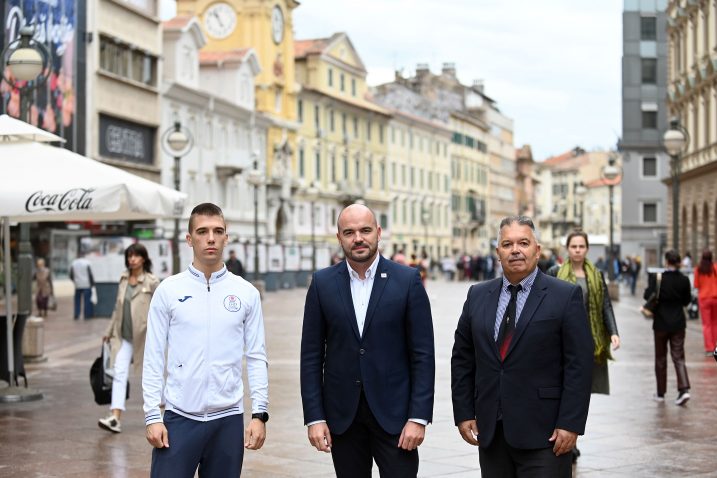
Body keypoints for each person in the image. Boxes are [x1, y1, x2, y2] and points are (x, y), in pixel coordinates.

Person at [451, 216, 593, 477]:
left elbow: (580, 365)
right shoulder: (477, 295)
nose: (515, 250)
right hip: (492, 432)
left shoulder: (565, 296)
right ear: (498, 253)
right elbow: (462, 357)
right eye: (507, 244)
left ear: (537, 250)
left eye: (523, 243)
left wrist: (570, 424)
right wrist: (463, 412)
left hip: (546, 434)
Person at [300, 204, 435, 478]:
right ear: (339, 238)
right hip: (343, 418)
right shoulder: (322, 283)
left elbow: (422, 354)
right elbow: (311, 356)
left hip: (396, 418)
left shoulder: (407, 280)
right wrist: (315, 417)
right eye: (349, 232)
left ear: (378, 232)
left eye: (365, 230)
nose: (358, 238)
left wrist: (418, 417)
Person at [143, 203, 269, 477]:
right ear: (189, 239)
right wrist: (152, 414)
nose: (210, 238)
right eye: (202, 231)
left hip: (227, 420)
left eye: (217, 231)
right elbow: (153, 355)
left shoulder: (245, 293)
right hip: (179, 417)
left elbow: (257, 356)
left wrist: (259, 414)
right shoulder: (168, 291)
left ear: (226, 237)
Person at [546, 231, 620, 462]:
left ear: (587, 249)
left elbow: (605, 306)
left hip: (589, 342)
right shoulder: (555, 273)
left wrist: (614, 332)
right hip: (559, 342)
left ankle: (572, 437)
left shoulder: (595, 275)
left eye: (581, 246)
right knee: (560, 390)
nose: (577, 250)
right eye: (573, 246)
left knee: (579, 393)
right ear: (567, 249)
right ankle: (562, 436)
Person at [98, 243, 160, 434]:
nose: (132, 259)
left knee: (152, 374)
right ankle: (115, 417)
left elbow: (161, 310)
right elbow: (117, 308)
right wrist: (108, 331)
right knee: (119, 374)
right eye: (129, 256)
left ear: (143, 258)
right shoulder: (123, 279)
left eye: (136, 255)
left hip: (145, 337)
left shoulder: (152, 281)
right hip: (123, 337)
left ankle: (165, 411)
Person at [644, 250, 692, 405]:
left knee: (660, 358)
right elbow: (686, 301)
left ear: (666, 261)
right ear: (678, 262)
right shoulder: (684, 280)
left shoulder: (658, 278)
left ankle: (660, 393)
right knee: (678, 357)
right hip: (678, 323)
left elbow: (647, 295)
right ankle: (683, 390)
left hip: (661, 323)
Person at [693, 250, 717, 355]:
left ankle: (709, 348)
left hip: (704, 298)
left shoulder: (698, 269)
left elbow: (696, 285)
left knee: (706, 324)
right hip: (715, 298)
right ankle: (715, 346)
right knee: (715, 323)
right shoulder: (715, 268)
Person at [69, 252, 94, 320]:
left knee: (77, 300)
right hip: (87, 284)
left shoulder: (74, 263)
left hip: (78, 284)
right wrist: (92, 284)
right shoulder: (87, 263)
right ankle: (87, 315)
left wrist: (75, 281)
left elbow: (71, 275)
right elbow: (90, 274)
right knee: (87, 300)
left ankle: (76, 314)